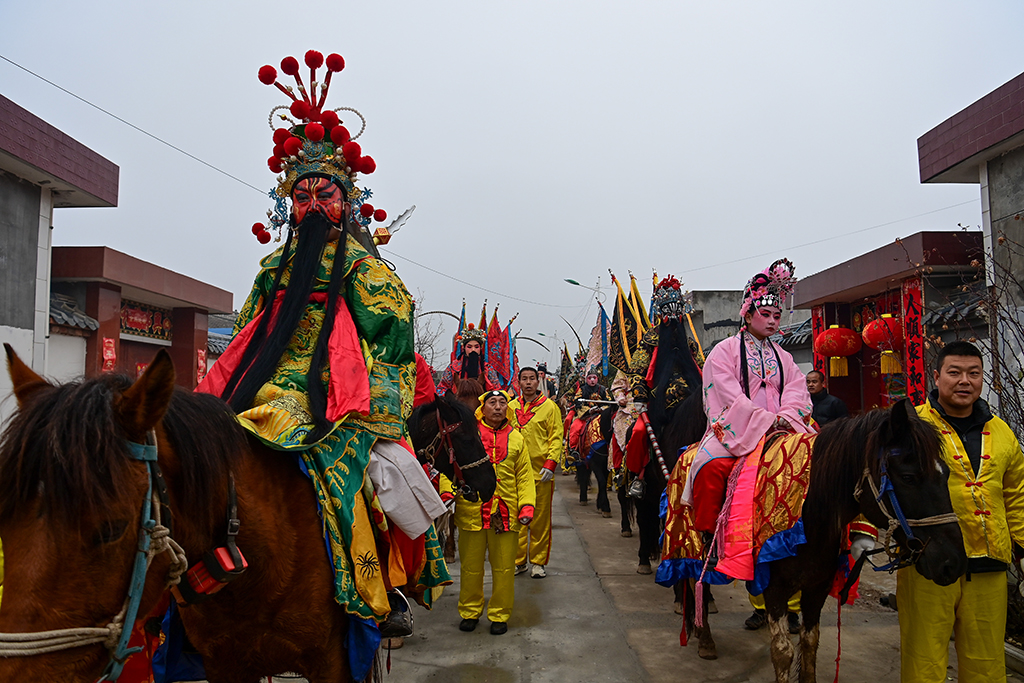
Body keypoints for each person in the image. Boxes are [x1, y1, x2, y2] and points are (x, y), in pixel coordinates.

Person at [197, 49, 447, 678]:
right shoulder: (273, 271)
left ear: (347, 198)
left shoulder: (367, 273)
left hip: (343, 397)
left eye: (325, 193)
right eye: (301, 194)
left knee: (380, 478)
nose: (312, 206)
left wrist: (377, 420)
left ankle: (382, 589)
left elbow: (393, 352)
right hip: (262, 384)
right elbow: (244, 337)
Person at [681, 260, 815, 631]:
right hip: (738, 432)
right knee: (707, 468)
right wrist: (762, 420)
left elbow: (799, 393)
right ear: (748, 311)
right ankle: (711, 535)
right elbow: (725, 395)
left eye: (777, 314)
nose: (773, 321)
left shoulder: (785, 357)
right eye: (766, 313)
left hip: (786, 430)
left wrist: (786, 419)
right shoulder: (723, 352)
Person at [899, 340, 1024, 683]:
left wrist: (1022, 545)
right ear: (937, 377)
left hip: (990, 563)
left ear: (983, 379)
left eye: (974, 373)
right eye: (954, 373)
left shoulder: (1001, 432)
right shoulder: (911, 430)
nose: (964, 381)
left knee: (987, 664)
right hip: (928, 562)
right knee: (924, 660)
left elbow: (1016, 493)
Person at [455, 390, 536, 636]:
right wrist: (449, 493)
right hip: (473, 510)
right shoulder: (468, 436)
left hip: (506, 513)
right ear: (483, 407)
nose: (498, 407)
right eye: (492, 402)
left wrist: (527, 505)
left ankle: (500, 614)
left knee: (503, 568)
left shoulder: (517, 439)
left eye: (502, 402)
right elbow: (455, 469)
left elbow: (524, 476)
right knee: (470, 567)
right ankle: (470, 611)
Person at [511, 366, 564, 578]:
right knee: (517, 519)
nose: (528, 383)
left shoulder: (550, 408)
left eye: (532, 379)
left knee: (540, 519)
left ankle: (538, 562)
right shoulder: (510, 407)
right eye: (524, 379)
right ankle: (518, 560)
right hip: (516, 473)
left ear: (537, 381)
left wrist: (551, 464)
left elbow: (556, 436)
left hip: (541, 472)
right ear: (519, 383)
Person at [436, 325, 501, 395]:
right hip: (458, 402)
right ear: (464, 348)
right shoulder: (453, 368)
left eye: (476, 347)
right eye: (469, 347)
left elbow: (496, 389)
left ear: (480, 349)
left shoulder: (487, 368)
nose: (473, 350)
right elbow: (442, 388)